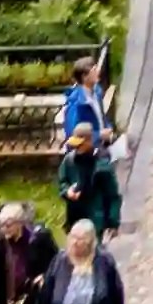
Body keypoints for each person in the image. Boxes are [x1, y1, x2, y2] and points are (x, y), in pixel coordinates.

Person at [57, 49, 110, 218]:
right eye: (94, 70)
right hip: (87, 152)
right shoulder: (77, 104)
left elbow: (101, 116)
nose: (98, 71)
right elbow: (74, 134)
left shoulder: (97, 92)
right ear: (84, 76)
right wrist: (98, 135)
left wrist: (108, 128)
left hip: (100, 148)